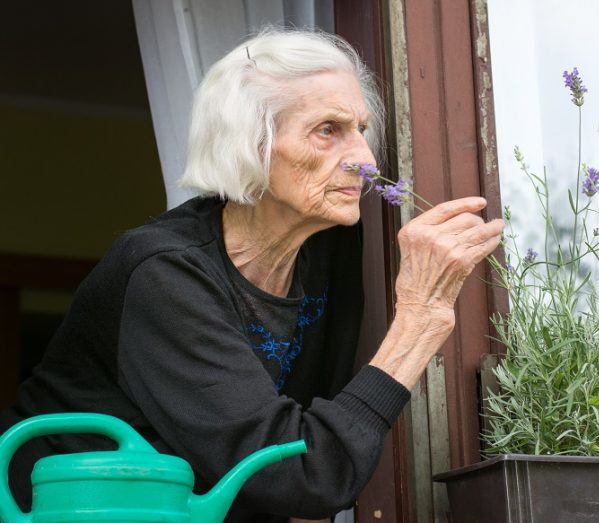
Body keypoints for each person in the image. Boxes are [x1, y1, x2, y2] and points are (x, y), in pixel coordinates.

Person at [0, 28, 503, 521]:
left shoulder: (329, 242)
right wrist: (417, 320)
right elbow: (299, 476)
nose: (365, 160)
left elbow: (303, 460)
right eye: (328, 130)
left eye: (362, 130)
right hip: (71, 506)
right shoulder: (164, 273)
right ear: (251, 144)